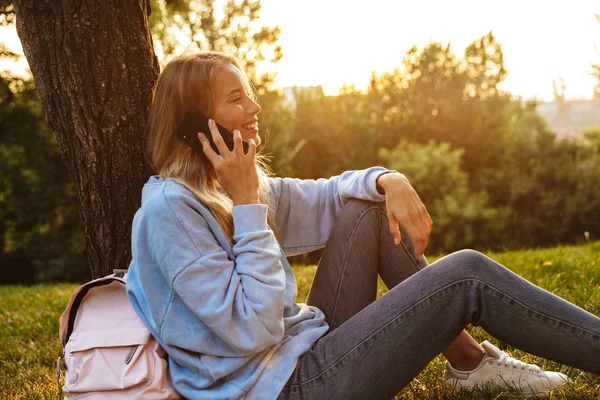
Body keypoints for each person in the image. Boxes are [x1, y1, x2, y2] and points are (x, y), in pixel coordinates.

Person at [126, 51, 600, 400]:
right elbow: (254, 329)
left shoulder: (232, 188)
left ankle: (468, 361)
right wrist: (249, 204)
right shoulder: (170, 213)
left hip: (295, 359)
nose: (255, 109)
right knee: (466, 275)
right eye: (236, 99)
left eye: (249, 95)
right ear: (195, 124)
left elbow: (333, 194)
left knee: (367, 206)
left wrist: (387, 179)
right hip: (282, 390)